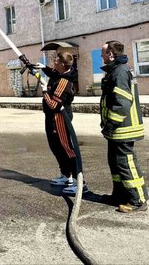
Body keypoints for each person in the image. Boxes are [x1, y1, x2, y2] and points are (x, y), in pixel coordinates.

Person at [99, 40, 149, 213]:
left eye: (103, 52)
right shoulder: (116, 70)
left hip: (123, 128)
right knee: (115, 163)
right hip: (117, 129)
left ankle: (138, 200)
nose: (101, 55)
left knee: (126, 164)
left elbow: (122, 103)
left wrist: (111, 124)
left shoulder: (119, 71)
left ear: (111, 54)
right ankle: (119, 196)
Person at [33, 51, 85, 195]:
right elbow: (53, 73)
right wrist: (43, 68)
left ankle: (79, 182)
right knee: (55, 147)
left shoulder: (64, 82)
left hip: (59, 119)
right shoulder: (60, 73)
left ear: (62, 64)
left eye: (56, 60)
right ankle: (66, 175)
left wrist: (45, 91)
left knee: (66, 149)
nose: (54, 62)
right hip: (51, 118)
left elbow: (53, 105)